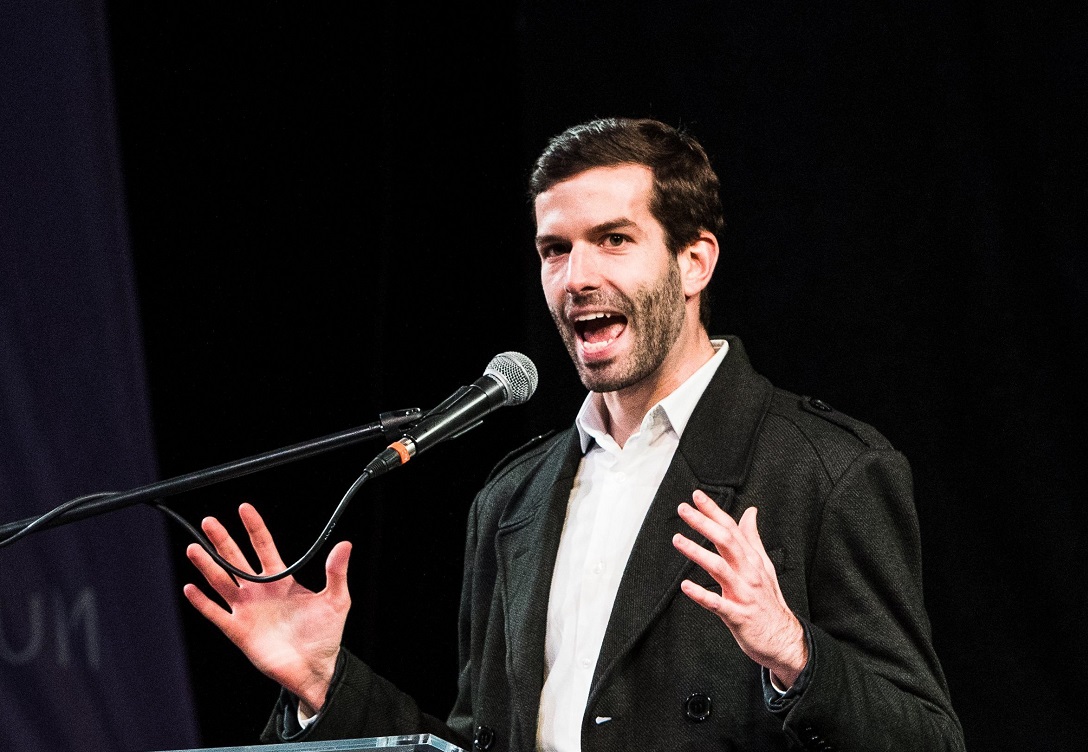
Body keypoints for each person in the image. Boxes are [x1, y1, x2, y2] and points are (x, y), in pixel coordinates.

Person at [184, 118, 965, 751]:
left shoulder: (825, 469)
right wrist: (326, 684)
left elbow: (929, 738)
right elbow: (478, 741)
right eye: (554, 249)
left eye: (613, 239)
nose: (576, 277)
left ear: (694, 262)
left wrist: (795, 655)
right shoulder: (512, 498)